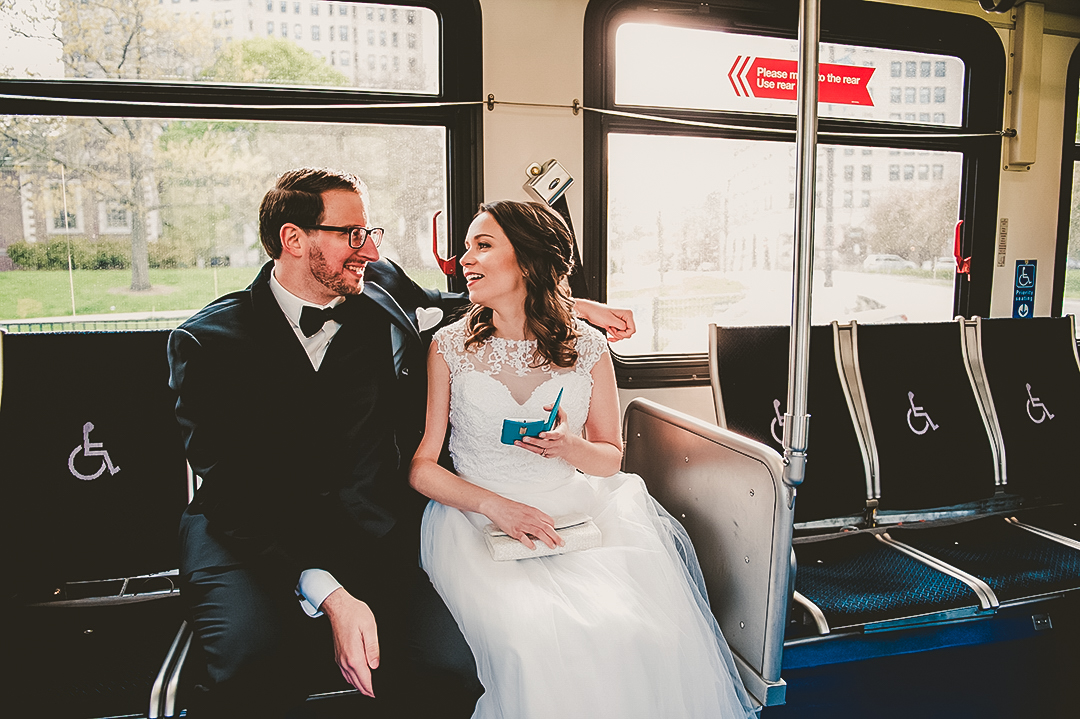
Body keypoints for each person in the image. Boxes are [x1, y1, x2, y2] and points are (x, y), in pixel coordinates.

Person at [168, 168, 636, 718]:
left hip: (366, 528)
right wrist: (332, 596)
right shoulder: (208, 344)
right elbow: (234, 493)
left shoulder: (377, 286)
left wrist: (575, 307)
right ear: (294, 239)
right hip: (248, 536)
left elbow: (472, 301)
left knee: (452, 676)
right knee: (253, 669)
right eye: (351, 234)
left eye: (371, 233)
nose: (367, 248)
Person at [410, 200, 758, 719]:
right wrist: (495, 506)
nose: (466, 259)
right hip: (476, 522)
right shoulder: (449, 347)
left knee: (638, 630)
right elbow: (423, 468)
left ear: (527, 261)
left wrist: (570, 449)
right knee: (531, 640)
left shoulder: (589, 347)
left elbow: (611, 459)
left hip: (579, 515)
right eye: (466, 247)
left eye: (483, 246)